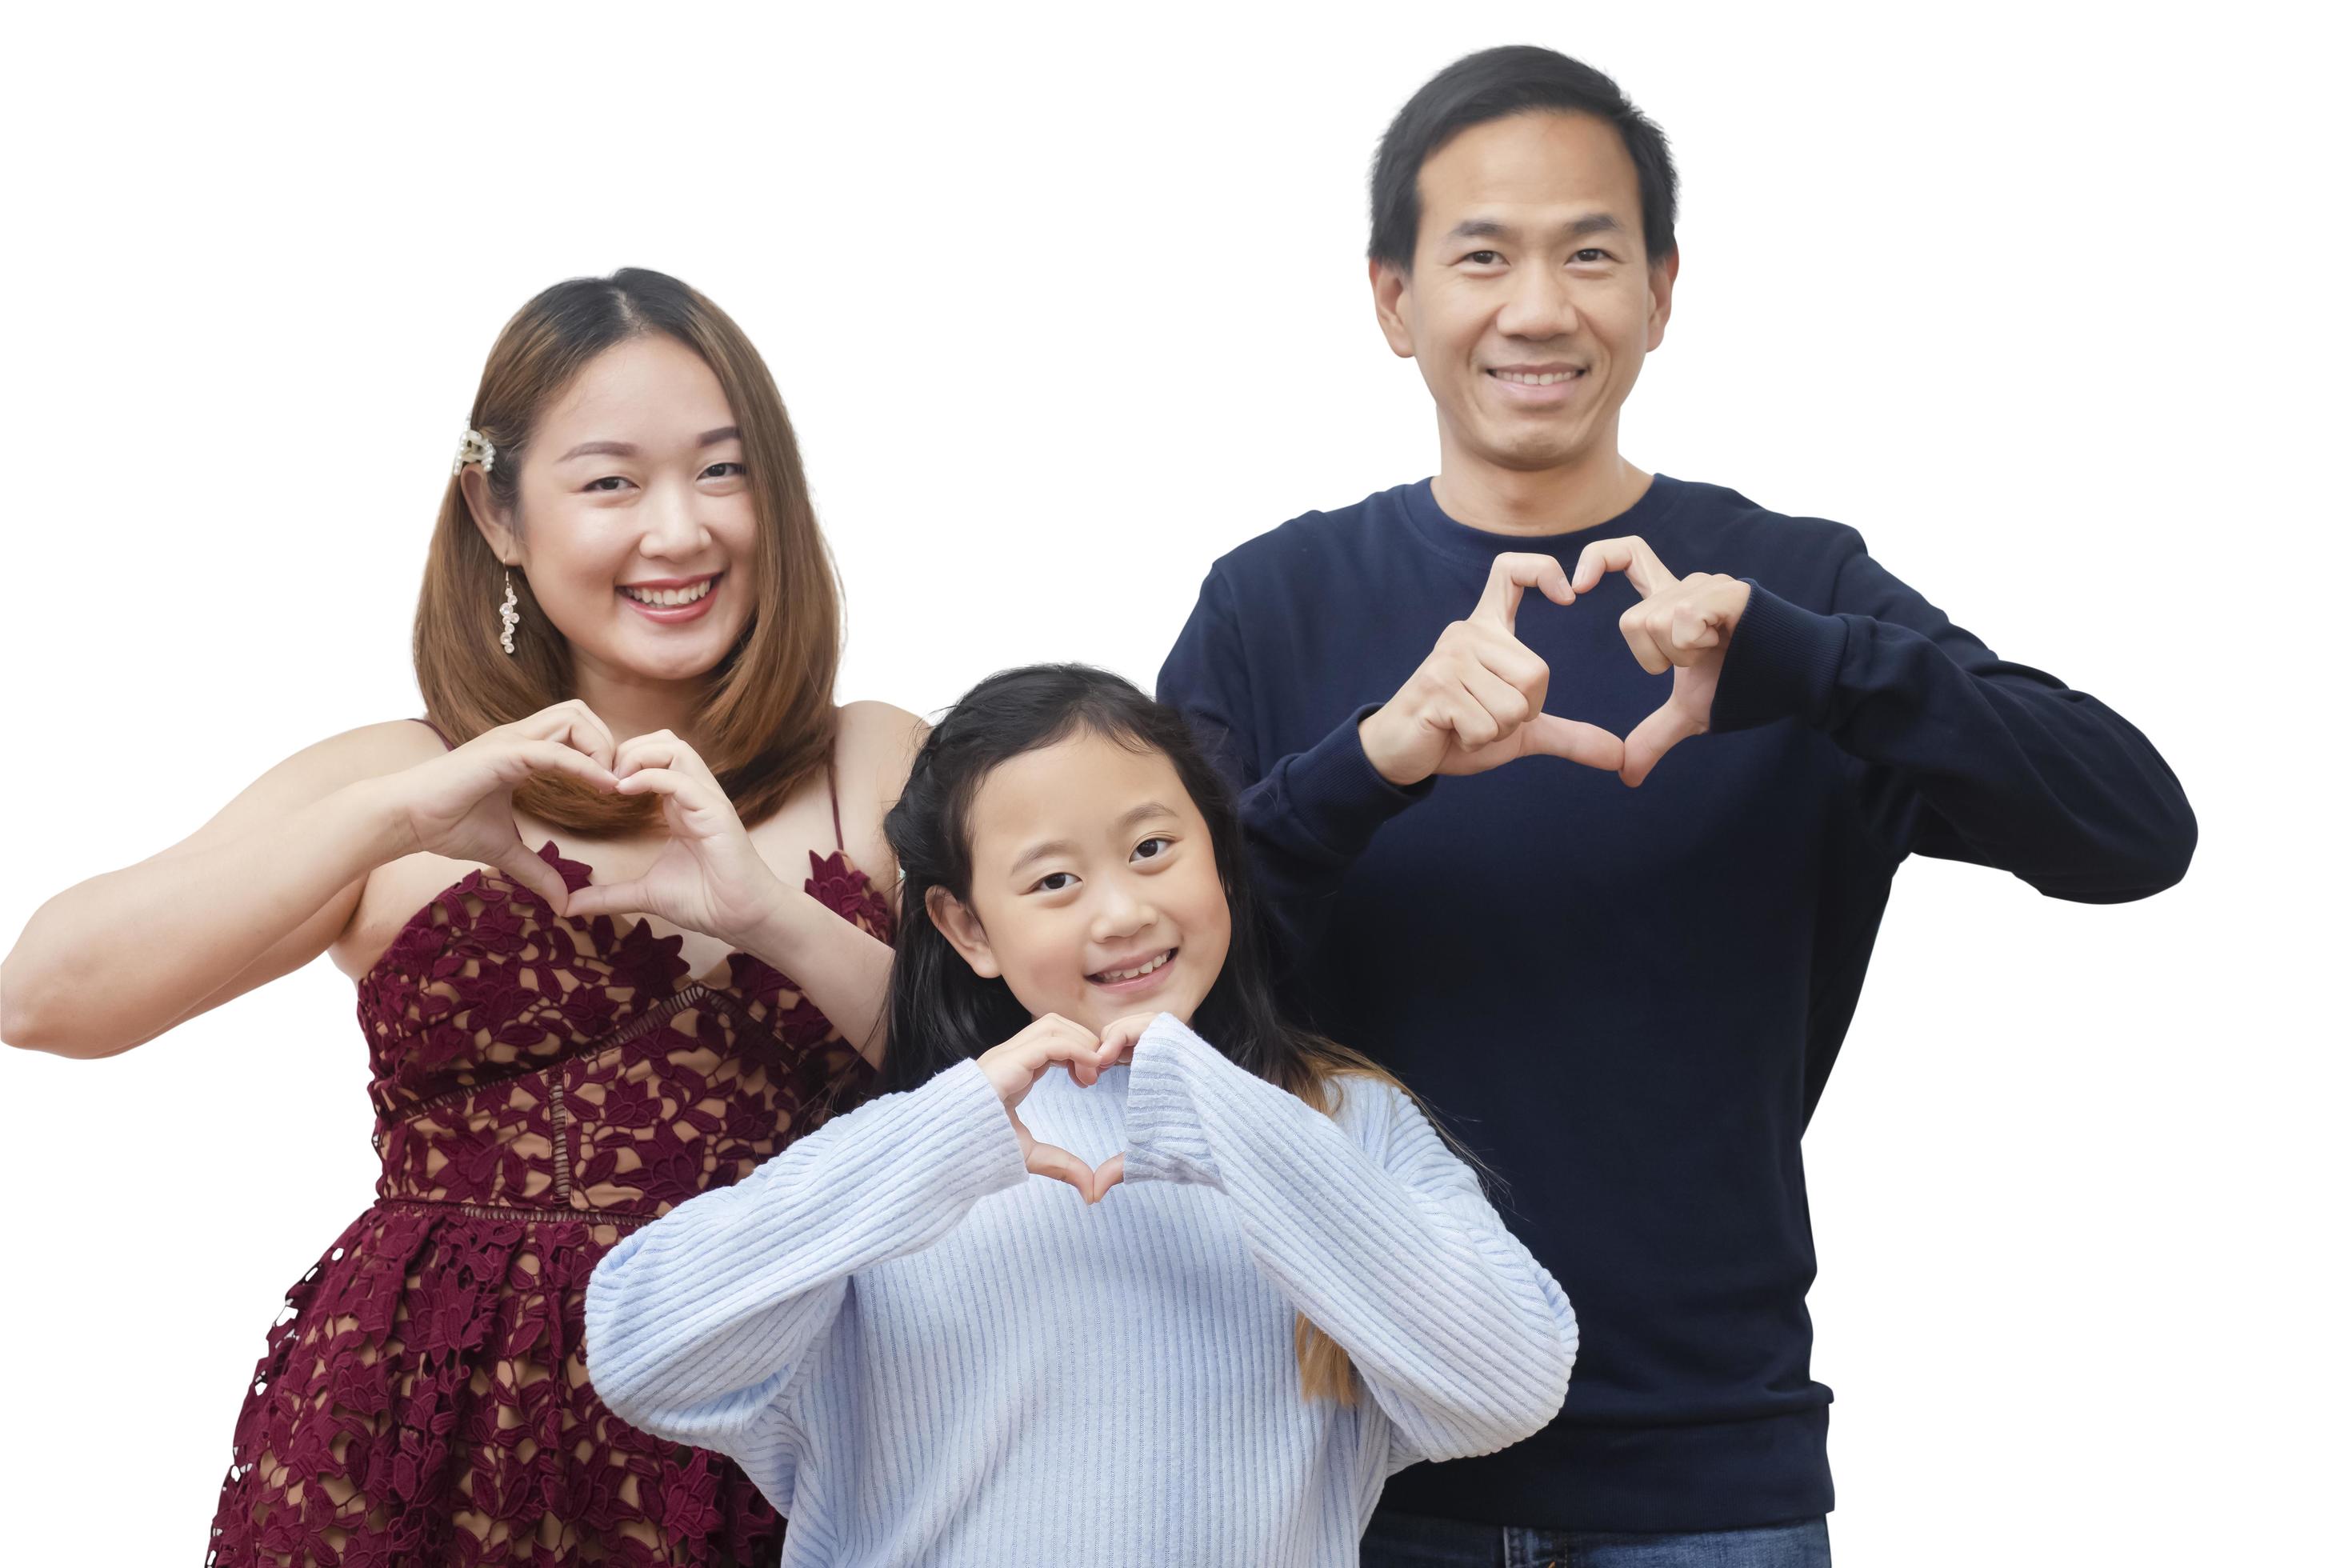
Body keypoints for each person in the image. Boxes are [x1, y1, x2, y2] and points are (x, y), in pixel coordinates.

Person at [1157, 46, 2197, 1566]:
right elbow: (1137, 1007)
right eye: (1480, 256)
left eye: (1589, 253)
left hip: (1711, 1490)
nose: (1537, 306)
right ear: (1392, 300)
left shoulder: (1795, 591)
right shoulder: (1270, 606)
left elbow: (2130, 831)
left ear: (1661, 289)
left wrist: (1807, 663)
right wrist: (1368, 763)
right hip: (1335, 1474)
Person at [0, 267, 925, 1566]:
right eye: (611, 482)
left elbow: (1033, 1085)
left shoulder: (877, 764)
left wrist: (775, 919)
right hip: (418, 1453)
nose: (679, 533)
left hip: (785, 1433)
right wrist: (397, 815)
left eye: (724, 473)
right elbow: (42, 993)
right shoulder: (395, 774)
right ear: (498, 511)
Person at [582, 663, 1580, 1568]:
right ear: (968, 927)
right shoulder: (908, 1152)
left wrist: (1213, 1106)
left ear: (1219, 858)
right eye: (1054, 881)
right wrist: (947, 1136)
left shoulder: (1343, 1123)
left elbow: (1510, 1383)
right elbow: (640, 1346)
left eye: (1153, 848)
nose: (1120, 912)